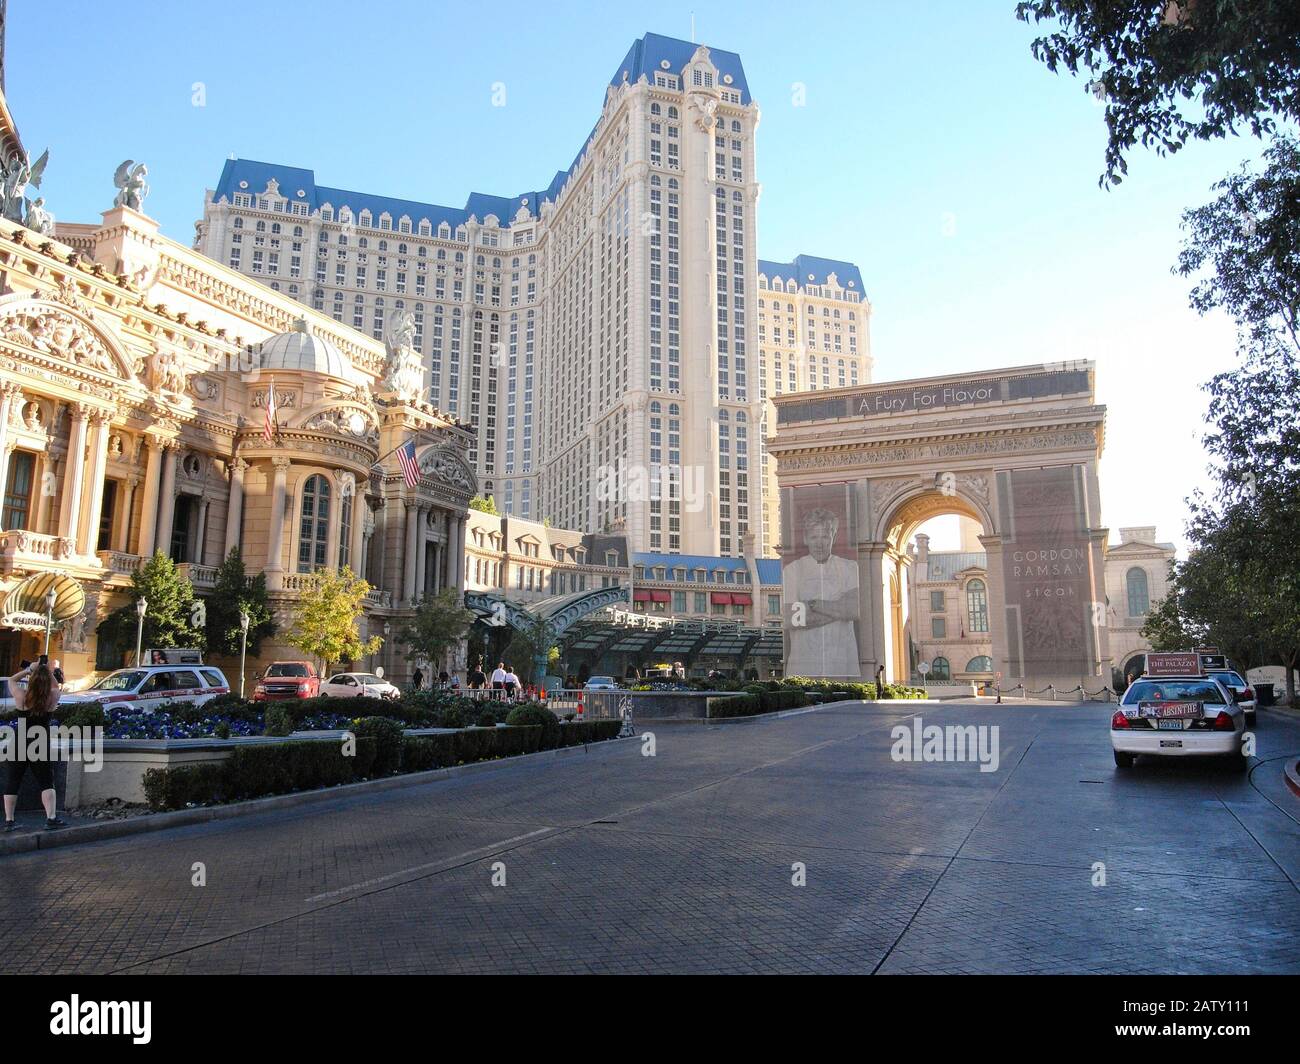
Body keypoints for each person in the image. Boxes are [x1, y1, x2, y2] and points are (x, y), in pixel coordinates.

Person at [784, 507, 861, 678]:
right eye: (814, 537)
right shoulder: (792, 570)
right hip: (803, 665)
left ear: (833, 537)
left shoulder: (849, 567)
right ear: (805, 539)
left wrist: (813, 605)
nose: (820, 543)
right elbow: (790, 618)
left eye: (825, 536)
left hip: (841, 662)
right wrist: (839, 609)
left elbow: (855, 610)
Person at [3, 657, 67, 831]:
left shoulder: (22, 696)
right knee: (46, 781)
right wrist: (46, 669)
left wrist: (29, 669)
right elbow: (55, 686)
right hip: (39, 742)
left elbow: (11, 680)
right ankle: (51, 818)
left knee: (13, 780)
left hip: (19, 742)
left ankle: (9, 821)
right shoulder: (51, 697)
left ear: (31, 680)